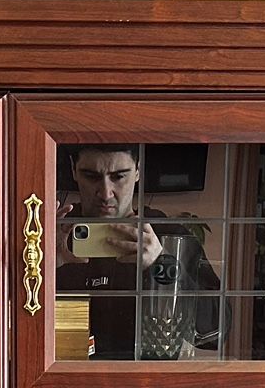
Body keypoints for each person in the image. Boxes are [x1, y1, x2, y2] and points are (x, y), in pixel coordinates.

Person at [54, 145, 222, 360]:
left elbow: (217, 332)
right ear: (73, 170)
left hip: (143, 384)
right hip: (62, 380)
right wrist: (43, 266)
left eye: (118, 176)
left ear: (138, 171)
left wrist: (162, 265)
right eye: (91, 176)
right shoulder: (53, 233)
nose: (106, 193)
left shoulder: (169, 235)